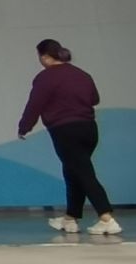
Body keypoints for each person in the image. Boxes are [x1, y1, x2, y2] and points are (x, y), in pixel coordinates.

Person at [21, 38, 119, 235]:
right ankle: (70, 218)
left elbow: (35, 104)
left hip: (65, 130)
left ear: (45, 57)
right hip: (89, 129)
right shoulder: (82, 74)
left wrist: (24, 126)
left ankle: (106, 218)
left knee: (83, 172)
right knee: (73, 171)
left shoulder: (45, 77)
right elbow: (94, 99)